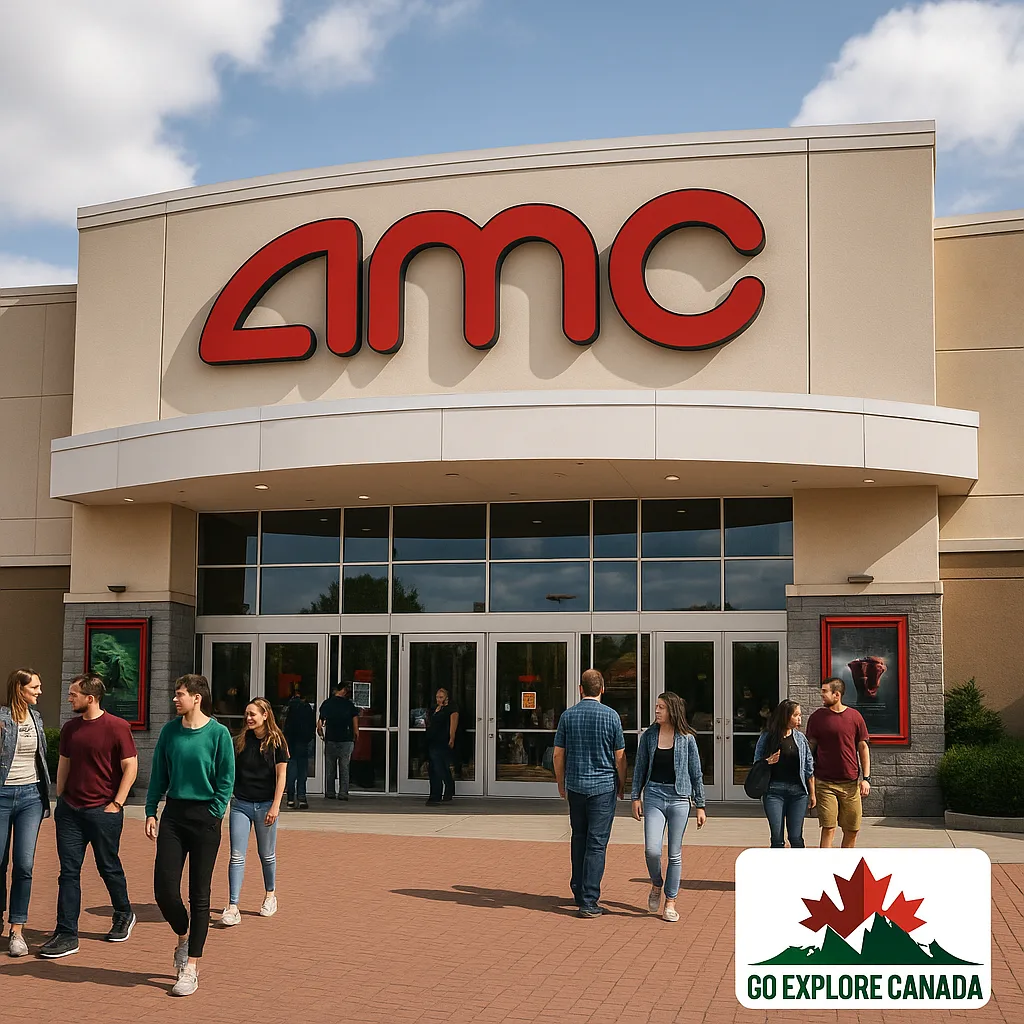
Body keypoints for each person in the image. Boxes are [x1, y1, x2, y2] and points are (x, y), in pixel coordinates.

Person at [145, 674, 234, 997]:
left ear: (197, 698)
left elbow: (226, 778)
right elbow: (159, 774)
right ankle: (183, 935)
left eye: (180, 694)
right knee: (164, 890)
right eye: (175, 693)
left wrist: (216, 811)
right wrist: (151, 810)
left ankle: (191, 967)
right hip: (174, 816)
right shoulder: (170, 732)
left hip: (205, 819)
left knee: (200, 894)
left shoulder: (219, 734)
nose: (175, 699)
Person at [39, 674, 139, 959]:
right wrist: (60, 798)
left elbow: (130, 766)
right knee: (68, 872)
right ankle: (66, 933)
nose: (69, 698)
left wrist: (117, 803)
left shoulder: (117, 727)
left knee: (108, 866)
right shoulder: (71, 728)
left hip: (103, 810)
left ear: (91, 698)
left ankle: (123, 913)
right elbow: (64, 763)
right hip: (71, 811)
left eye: (74, 694)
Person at [552, 669, 626, 918]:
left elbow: (558, 754)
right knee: (597, 844)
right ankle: (589, 900)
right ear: (602, 689)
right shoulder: (612, 716)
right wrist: (622, 783)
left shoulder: (568, 716)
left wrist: (561, 782)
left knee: (579, 838)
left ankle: (578, 889)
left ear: (580, 689)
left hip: (576, 785)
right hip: (603, 787)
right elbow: (620, 756)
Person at [631, 692, 707, 922]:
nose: (656, 711)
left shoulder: (687, 738)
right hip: (654, 794)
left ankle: (670, 902)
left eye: (661, 707)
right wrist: (635, 797)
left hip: (679, 798)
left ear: (672, 710)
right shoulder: (649, 736)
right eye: (656, 706)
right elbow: (640, 768)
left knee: (675, 854)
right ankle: (656, 884)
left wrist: (700, 805)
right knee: (652, 850)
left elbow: (696, 773)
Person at [221, 698, 288, 926]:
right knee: (236, 856)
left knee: (266, 854)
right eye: (247, 714)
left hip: (266, 805)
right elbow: (229, 771)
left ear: (265, 715)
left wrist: (276, 805)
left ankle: (270, 895)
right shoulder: (239, 741)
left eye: (253, 714)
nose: (248, 718)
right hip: (241, 804)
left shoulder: (277, 742)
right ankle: (233, 906)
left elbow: (281, 776)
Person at [0, 669, 50, 957]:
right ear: (19, 689)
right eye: (35, 687)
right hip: (2, 795)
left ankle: (17, 929)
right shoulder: (2, 718)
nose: (39, 691)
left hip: (31, 797)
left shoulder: (37, 718)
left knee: (24, 864)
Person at [805, 677, 870, 849]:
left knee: (852, 829)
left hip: (851, 784)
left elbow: (863, 747)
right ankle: (826, 864)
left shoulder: (855, 717)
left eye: (825, 691)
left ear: (837, 694)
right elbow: (809, 749)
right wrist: (808, 778)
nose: (822, 695)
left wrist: (866, 778)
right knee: (829, 828)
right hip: (825, 783)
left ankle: (844, 863)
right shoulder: (817, 718)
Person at [753, 699, 816, 850]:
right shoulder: (768, 736)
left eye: (800, 715)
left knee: (796, 837)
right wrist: (768, 761)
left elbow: (809, 767)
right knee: (777, 837)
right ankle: (778, 864)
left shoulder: (800, 738)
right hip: (774, 791)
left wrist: (812, 794)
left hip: (798, 793)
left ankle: (797, 864)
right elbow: (756, 762)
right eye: (796, 715)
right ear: (786, 716)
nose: (799, 719)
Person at [318, 682, 359, 801]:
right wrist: (355, 736)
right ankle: (343, 793)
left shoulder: (327, 704)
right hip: (346, 739)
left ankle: (330, 792)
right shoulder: (349, 705)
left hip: (331, 739)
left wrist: (322, 735)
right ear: (344, 690)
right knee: (344, 767)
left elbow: (319, 724)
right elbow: (355, 725)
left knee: (330, 768)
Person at [282, 686, 315, 809]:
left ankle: (290, 798)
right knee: (302, 771)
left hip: (291, 741)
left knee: (291, 770)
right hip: (303, 741)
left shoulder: (289, 707)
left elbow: (284, 724)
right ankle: (301, 797)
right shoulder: (306, 708)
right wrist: (309, 737)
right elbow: (311, 724)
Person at [424, 687, 458, 806]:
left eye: (441, 697)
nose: (439, 699)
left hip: (443, 741)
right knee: (437, 767)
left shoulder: (451, 709)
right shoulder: (434, 708)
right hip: (432, 740)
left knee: (437, 768)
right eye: (437, 697)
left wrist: (452, 738)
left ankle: (436, 796)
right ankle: (449, 787)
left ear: (447, 697)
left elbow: (453, 724)